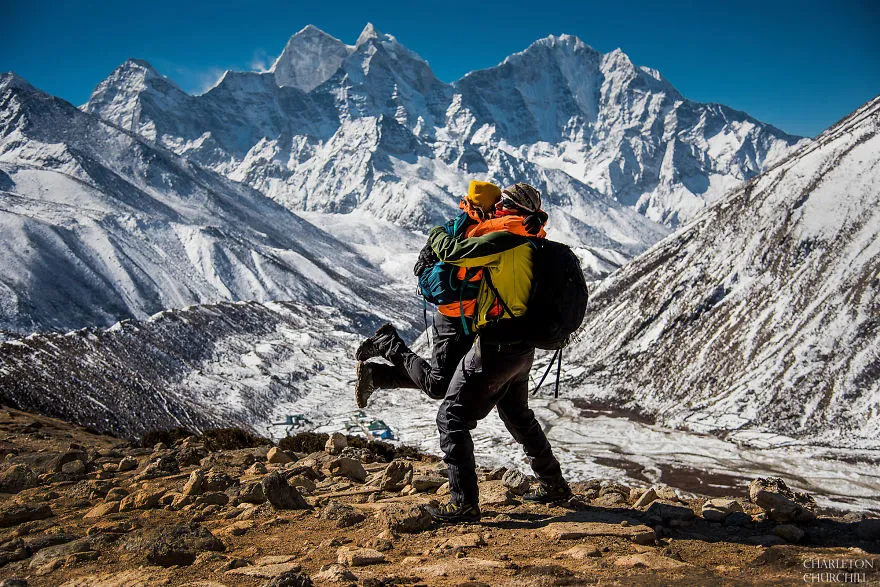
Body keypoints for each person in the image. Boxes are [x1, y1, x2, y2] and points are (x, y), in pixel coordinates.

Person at [421, 182, 571, 524]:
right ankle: (555, 486)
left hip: (497, 344)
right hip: (523, 346)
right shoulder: (535, 236)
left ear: (509, 207)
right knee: (518, 414)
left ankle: (464, 504)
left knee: (451, 416)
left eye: (502, 204)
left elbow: (453, 252)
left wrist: (436, 232)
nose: (497, 209)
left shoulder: (504, 239)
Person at [354, 181, 503, 408]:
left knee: (449, 382)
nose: (500, 210)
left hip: (462, 318)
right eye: (497, 205)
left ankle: (376, 375)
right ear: (487, 207)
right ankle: (388, 345)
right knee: (438, 386)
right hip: (454, 320)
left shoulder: (460, 227)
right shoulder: (477, 235)